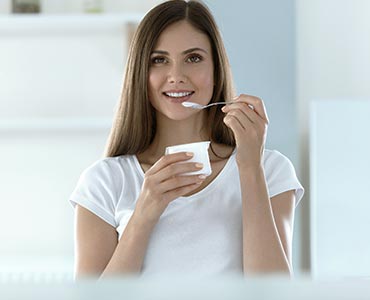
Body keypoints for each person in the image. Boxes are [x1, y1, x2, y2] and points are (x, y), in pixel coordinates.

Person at [70, 0, 304, 279]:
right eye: (159, 60)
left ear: (217, 70)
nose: (176, 76)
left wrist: (250, 167)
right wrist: (144, 213)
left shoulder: (271, 170)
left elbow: (273, 294)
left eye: (193, 58)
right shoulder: (104, 182)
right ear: (140, 74)